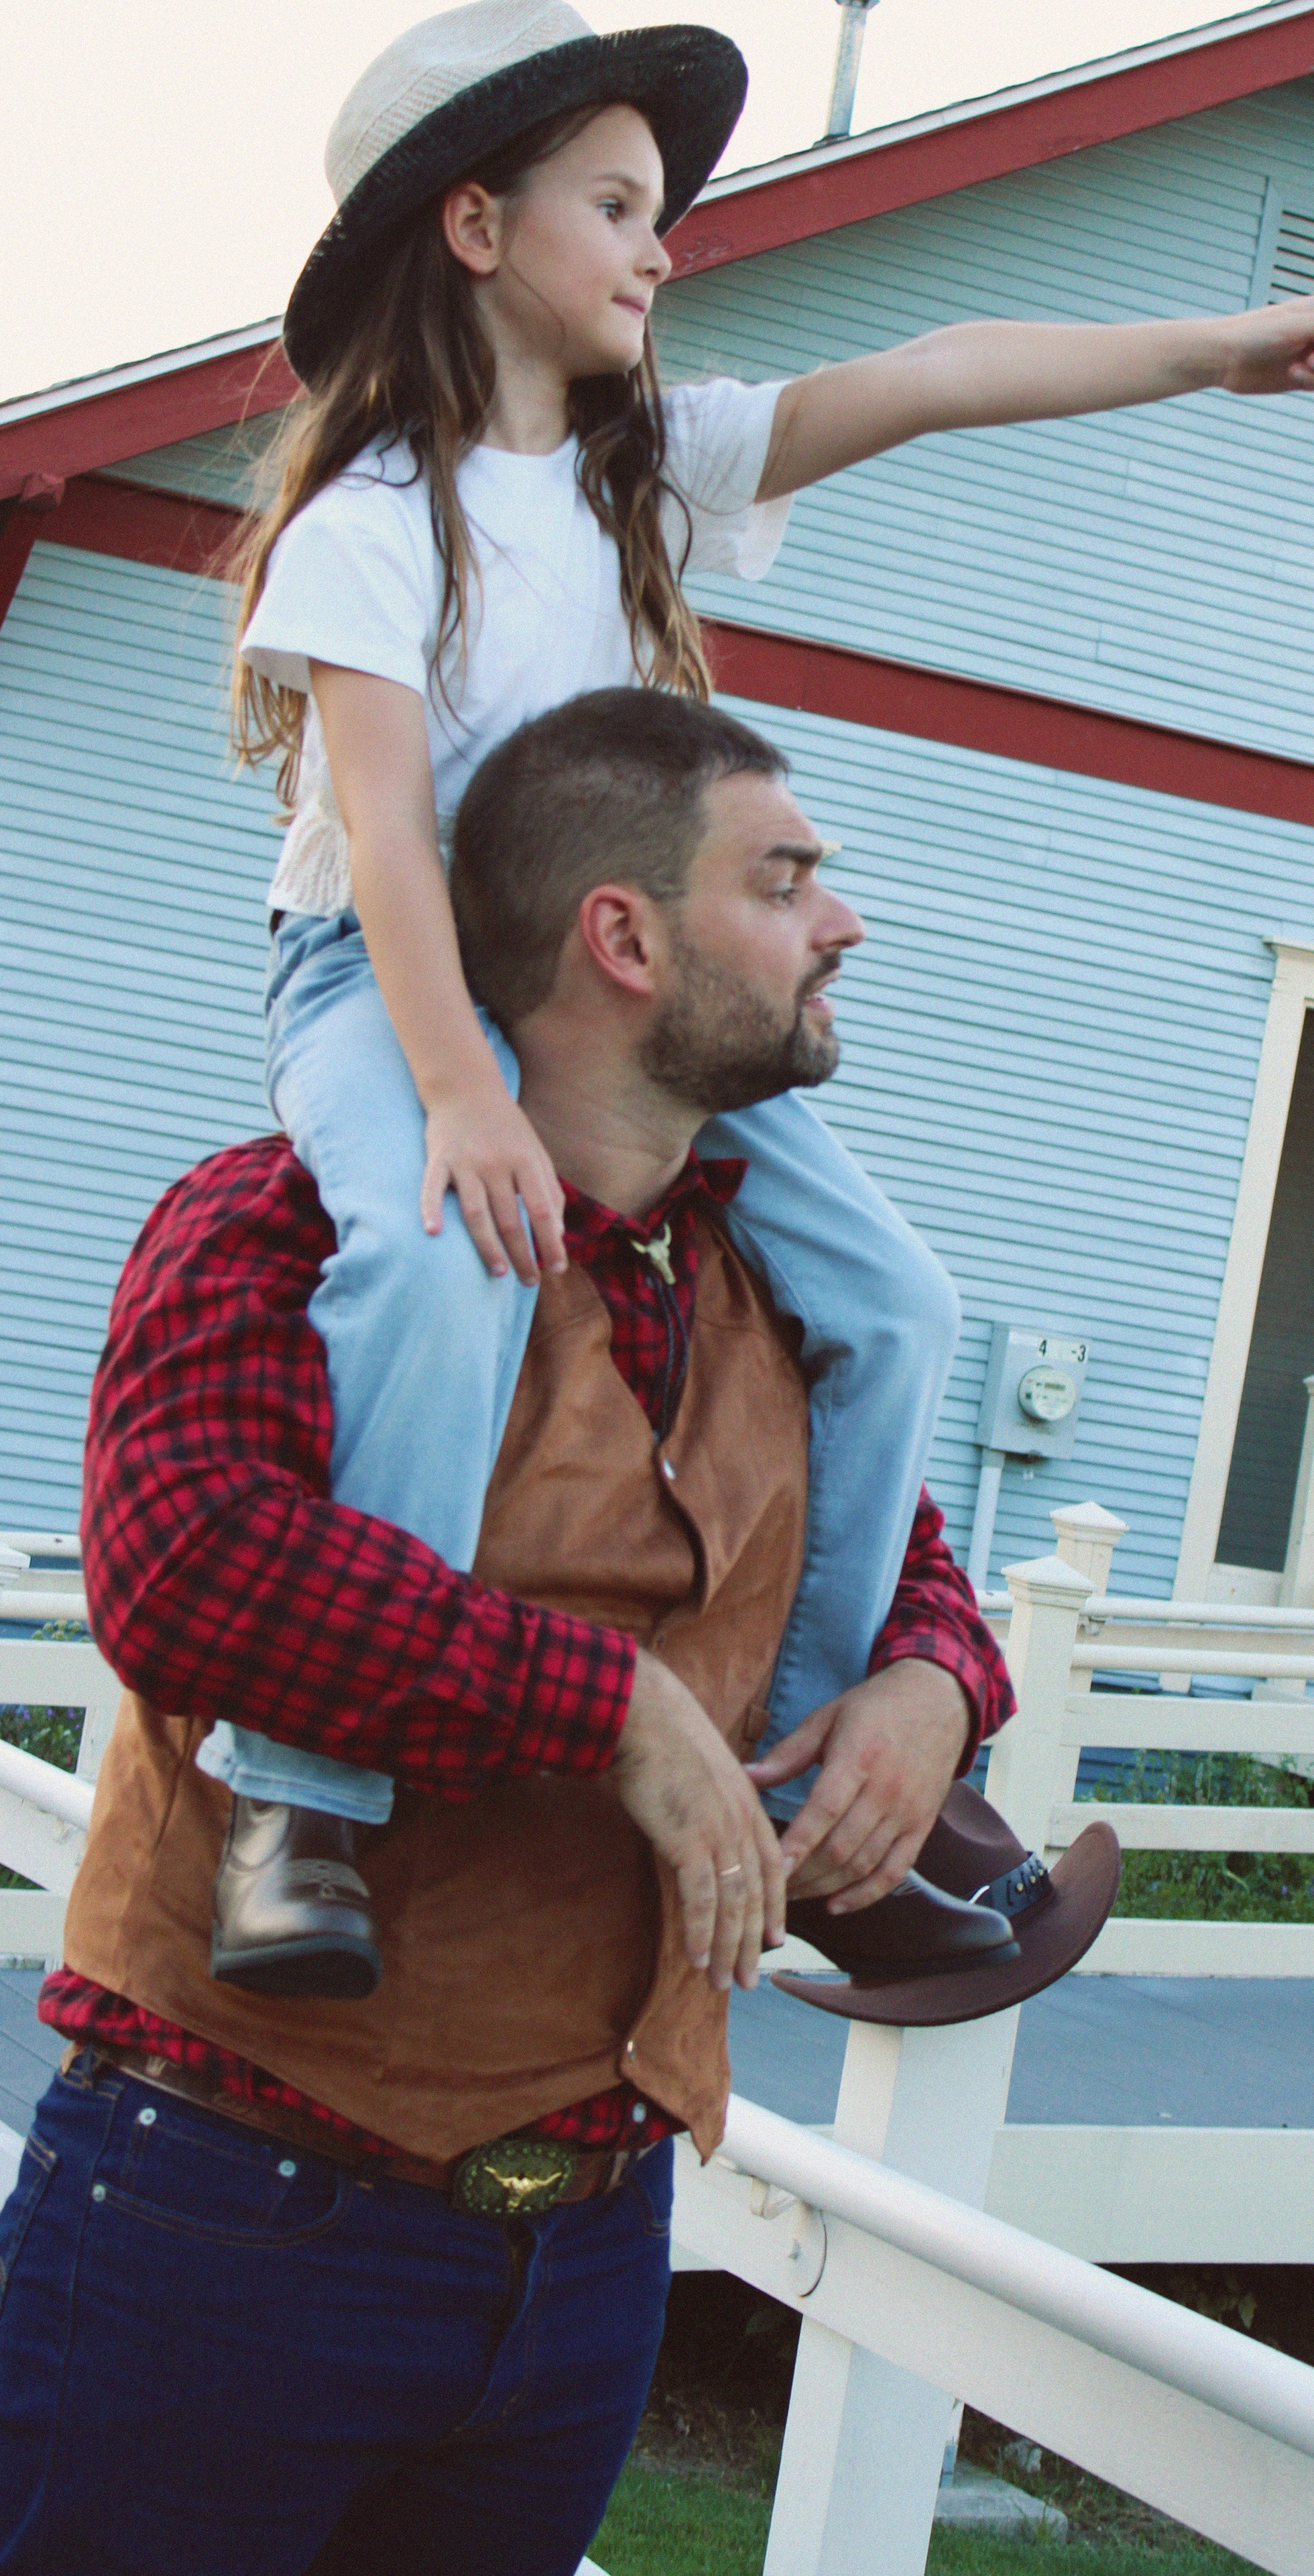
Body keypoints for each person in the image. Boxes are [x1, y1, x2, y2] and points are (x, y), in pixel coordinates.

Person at [200, 0, 1314, 1996]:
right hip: (391, 972)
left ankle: (798, 1780)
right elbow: (390, 846)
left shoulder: (641, 479)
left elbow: (932, 376)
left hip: (622, 985)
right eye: (614, 202)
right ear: (475, 228)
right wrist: (457, 1091)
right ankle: (307, 1791)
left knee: (899, 1303)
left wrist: (1218, 352)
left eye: (661, 207)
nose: (660, 241)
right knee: (445, 1264)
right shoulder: (370, 530)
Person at [0, 688, 1016, 2575]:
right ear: (621, 941)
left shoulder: (758, 1290)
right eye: (785, 879)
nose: (843, 922)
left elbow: (890, 1558)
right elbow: (189, 1564)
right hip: (226, 2218)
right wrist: (604, 1698)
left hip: (591, 2248)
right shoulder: (282, 1225)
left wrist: (931, 1682)